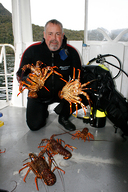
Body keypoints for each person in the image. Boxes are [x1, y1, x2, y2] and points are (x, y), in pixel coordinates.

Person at [16, 19, 82, 131]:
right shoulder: (32, 50)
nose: (54, 39)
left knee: (83, 91)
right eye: (50, 34)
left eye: (58, 34)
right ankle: (42, 111)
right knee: (34, 126)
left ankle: (63, 116)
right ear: (44, 35)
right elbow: (20, 74)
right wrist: (26, 79)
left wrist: (74, 87)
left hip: (63, 94)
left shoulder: (71, 52)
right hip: (39, 95)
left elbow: (79, 77)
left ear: (62, 35)